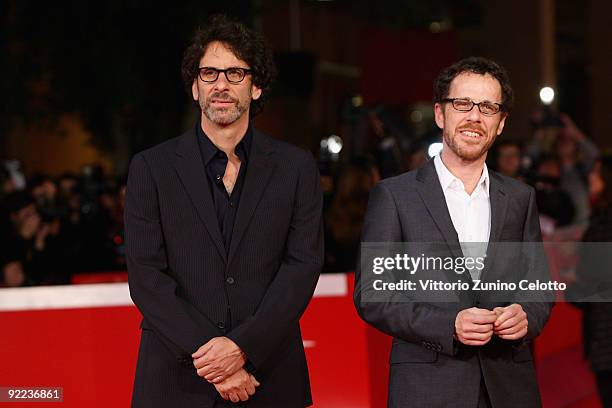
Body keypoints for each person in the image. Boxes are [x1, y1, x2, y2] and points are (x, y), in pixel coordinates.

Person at [125, 15, 323, 408]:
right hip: (176, 379)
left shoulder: (296, 167)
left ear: (256, 86)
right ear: (195, 88)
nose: (221, 84)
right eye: (209, 73)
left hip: (269, 377)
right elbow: (146, 276)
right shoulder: (151, 168)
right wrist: (217, 360)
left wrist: (244, 347)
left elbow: (301, 266)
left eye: (235, 73)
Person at [354, 57, 553, 407]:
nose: (475, 117)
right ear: (439, 114)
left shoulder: (521, 198)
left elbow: (537, 288)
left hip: (509, 387)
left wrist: (526, 315)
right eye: (463, 104)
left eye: (488, 107)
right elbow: (373, 294)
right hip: (428, 387)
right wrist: (449, 325)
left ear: (501, 123)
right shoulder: (395, 196)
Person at [571, 155, 612, 407]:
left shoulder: (602, 228)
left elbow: (589, 289)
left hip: (607, 337)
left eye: (596, 173)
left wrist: (570, 285)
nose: (590, 178)